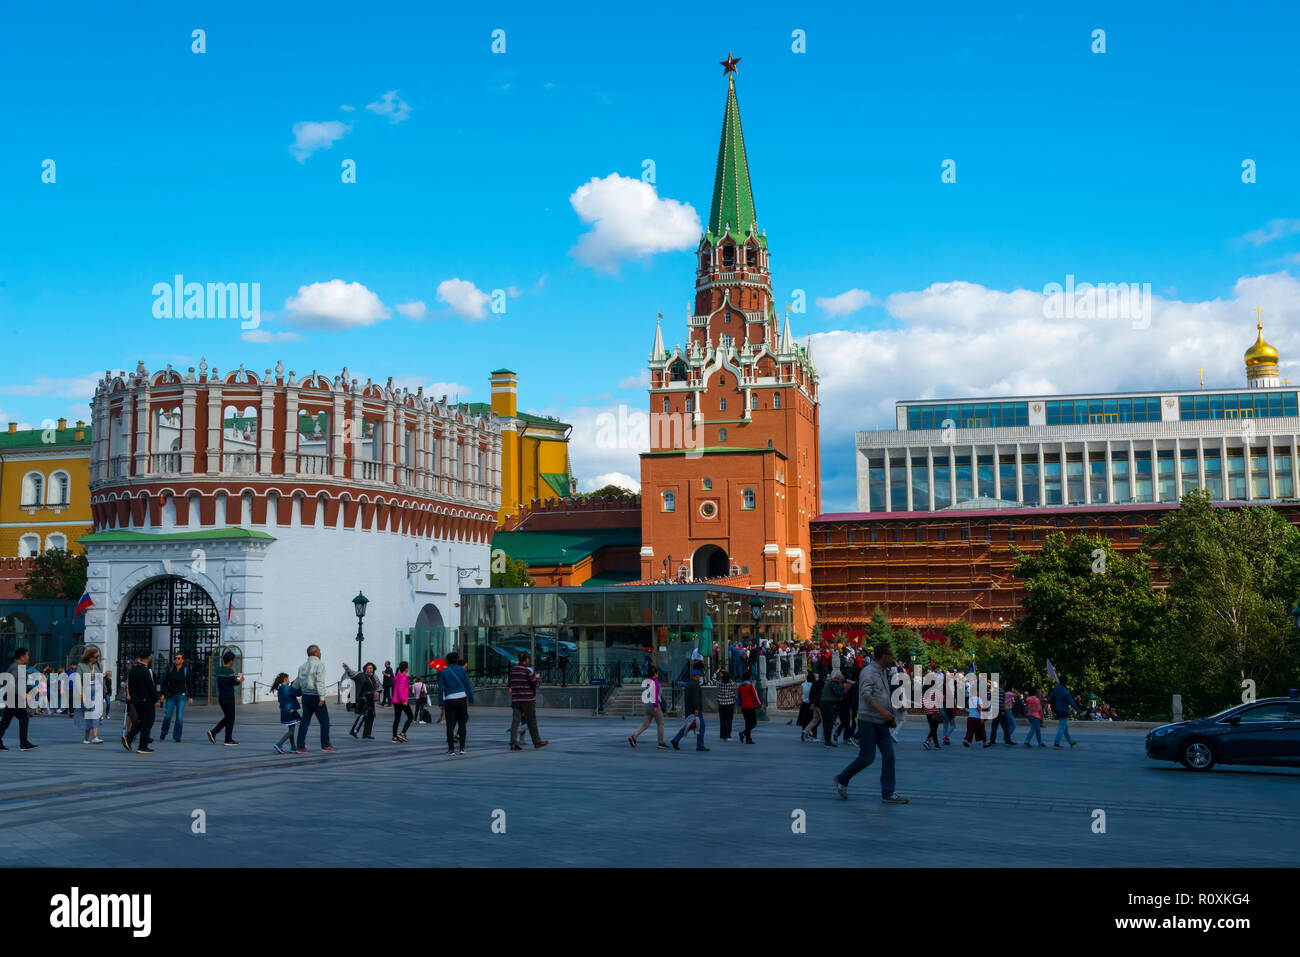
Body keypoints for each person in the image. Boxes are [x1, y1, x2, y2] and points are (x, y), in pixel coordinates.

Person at [833, 642, 907, 804]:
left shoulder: (881, 672)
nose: (893, 658)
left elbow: (882, 695)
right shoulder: (868, 672)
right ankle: (842, 778)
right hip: (868, 721)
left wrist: (891, 711)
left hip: (881, 722)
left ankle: (888, 792)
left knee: (889, 757)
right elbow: (866, 695)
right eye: (891, 655)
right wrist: (883, 711)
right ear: (884, 656)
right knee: (867, 758)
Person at [295, 645, 333, 753]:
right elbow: (319, 681)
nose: (321, 653)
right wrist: (322, 697)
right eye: (320, 651)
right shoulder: (319, 664)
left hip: (305, 696)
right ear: (315, 653)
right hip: (315, 695)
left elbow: (298, 681)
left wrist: (292, 691)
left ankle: (300, 746)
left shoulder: (302, 666)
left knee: (305, 721)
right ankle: (325, 745)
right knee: (325, 721)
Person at [508, 651, 548, 751]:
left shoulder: (513, 670)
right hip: (527, 700)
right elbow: (535, 684)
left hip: (516, 699)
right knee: (531, 721)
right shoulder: (527, 671)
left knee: (515, 722)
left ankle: (513, 743)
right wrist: (537, 678)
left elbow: (511, 683)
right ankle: (537, 742)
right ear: (526, 659)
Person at [0, 648, 37, 751]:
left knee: (5, 721)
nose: (28, 657)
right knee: (24, 719)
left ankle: (23, 743)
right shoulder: (16, 668)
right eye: (27, 655)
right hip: (14, 697)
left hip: (12, 696)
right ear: (22, 657)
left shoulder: (18, 667)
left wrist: (32, 688)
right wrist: (23, 694)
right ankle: (24, 743)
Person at [437, 651, 474, 755]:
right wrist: (471, 698)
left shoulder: (444, 672)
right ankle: (462, 748)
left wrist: (440, 702)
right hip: (462, 698)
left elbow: (441, 689)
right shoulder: (462, 671)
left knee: (450, 725)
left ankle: (451, 749)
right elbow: (468, 685)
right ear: (457, 660)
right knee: (462, 724)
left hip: (450, 699)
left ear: (447, 661)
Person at [123, 652, 159, 754]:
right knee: (148, 722)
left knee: (140, 722)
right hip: (147, 701)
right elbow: (150, 686)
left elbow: (130, 685)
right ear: (148, 657)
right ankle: (142, 747)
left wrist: (133, 698)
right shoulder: (147, 670)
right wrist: (155, 699)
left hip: (136, 701)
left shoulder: (133, 670)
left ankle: (128, 738)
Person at [628, 663, 669, 750]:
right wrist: (655, 706)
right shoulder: (656, 682)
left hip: (647, 705)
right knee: (660, 724)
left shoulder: (646, 682)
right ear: (655, 674)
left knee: (645, 724)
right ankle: (661, 743)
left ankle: (634, 737)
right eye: (657, 672)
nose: (658, 674)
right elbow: (654, 694)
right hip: (654, 705)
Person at [205, 652, 242, 746]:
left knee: (228, 717)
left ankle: (214, 733)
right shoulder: (229, 671)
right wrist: (240, 680)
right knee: (231, 718)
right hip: (229, 697)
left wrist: (233, 677)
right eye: (233, 660)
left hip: (221, 697)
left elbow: (225, 679)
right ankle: (226, 739)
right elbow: (234, 683)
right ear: (230, 661)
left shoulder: (219, 670)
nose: (233, 662)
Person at [73, 646, 107, 744]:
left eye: (98, 657)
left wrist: (104, 690)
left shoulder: (97, 665)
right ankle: (86, 737)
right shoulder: (81, 666)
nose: (97, 659)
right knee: (87, 715)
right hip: (86, 693)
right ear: (90, 657)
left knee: (96, 714)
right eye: (95, 657)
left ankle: (95, 736)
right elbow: (78, 680)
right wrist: (81, 695)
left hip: (97, 694)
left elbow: (101, 678)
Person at [671, 665, 708, 752]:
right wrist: (696, 709)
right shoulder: (695, 684)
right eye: (699, 676)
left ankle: (676, 740)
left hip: (689, 709)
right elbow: (696, 698)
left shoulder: (688, 684)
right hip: (695, 710)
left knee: (688, 726)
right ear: (696, 676)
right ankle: (700, 745)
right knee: (701, 726)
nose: (700, 677)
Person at [158, 652, 191, 743]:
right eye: (175, 658)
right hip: (170, 695)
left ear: (182, 660)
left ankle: (177, 736)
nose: (176, 660)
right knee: (168, 716)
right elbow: (164, 683)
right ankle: (164, 732)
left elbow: (189, 683)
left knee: (179, 717)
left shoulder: (185, 670)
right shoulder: (170, 669)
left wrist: (191, 696)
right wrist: (162, 694)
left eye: (179, 658)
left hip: (181, 695)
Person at [342, 661, 380, 739]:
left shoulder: (374, 677)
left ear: (373, 669)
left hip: (370, 698)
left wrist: (377, 692)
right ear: (365, 669)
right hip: (363, 698)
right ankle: (354, 731)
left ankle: (367, 734)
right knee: (363, 715)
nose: (369, 669)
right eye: (368, 668)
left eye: (371, 668)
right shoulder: (361, 675)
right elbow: (352, 673)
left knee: (371, 715)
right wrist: (347, 669)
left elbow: (378, 686)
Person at [272, 673, 301, 753]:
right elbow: (297, 693)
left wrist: (292, 686)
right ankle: (279, 744)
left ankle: (293, 747)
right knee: (291, 731)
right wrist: (299, 685)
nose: (289, 680)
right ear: (285, 679)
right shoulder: (288, 688)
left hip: (284, 711)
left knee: (291, 729)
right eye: (288, 679)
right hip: (290, 711)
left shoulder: (281, 688)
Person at [819, 671, 845, 747]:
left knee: (828, 723)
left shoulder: (830, 682)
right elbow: (838, 693)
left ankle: (828, 740)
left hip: (826, 704)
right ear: (838, 678)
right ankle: (827, 741)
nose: (841, 682)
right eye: (841, 680)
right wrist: (842, 687)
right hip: (827, 705)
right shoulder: (832, 683)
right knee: (828, 723)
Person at [390, 661, 414, 743]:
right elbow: (400, 690)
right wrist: (404, 700)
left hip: (395, 700)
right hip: (401, 701)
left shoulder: (397, 676)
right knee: (410, 716)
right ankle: (402, 733)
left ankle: (394, 737)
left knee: (397, 719)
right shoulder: (403, 677)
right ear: (406, 669)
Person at [1050, 679, 1077, 748]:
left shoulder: (1055, 690)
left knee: (1065, 727)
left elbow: (1050, 699)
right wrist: (1077, 709)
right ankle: (1056, 743)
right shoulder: (1066, 691)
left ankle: (1071, 742)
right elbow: (1071, 701)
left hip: (1057, 710)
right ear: (1065, 683)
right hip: (1064, 710)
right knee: (1062, 727)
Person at [737, 669, 761, 744]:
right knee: (753, 723)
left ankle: (748, 739)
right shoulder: (750, 686)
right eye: (751, 677)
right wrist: (760, 705)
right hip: (750, 706)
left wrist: (739, 705)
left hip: (743, 707)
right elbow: (755, 697)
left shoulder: (740, 687)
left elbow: (738, 697)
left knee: (747, 722)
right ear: (749, 678)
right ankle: (743, 733)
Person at [714, 670, 737, 741]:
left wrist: (716, 673)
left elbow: (713, 679)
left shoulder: (720, 684)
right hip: (730, 704)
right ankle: (728, 736)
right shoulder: (732, 684)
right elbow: (733, 693)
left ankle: (723, 735)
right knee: (729, 720)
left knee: (722, 720)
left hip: (721, 704)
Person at [963, 682, 986, 747]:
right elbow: (979, 709)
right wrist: (982, 717)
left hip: (970, 717)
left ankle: (966, 740)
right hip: (977, 717)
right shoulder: (978, 699)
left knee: (970, 730)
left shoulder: (969, 700)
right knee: (982, 730)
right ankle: (985, 743)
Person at [922, 673, 941, 750]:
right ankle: (927, 742)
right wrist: (938, 711)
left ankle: (936, 743)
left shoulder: (924, 690)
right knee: (934, 729)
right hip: (934, 712)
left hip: (928, 712)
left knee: (932, 728)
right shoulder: (934, 690)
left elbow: (922, 702)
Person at [804, 672, 825, 741]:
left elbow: (811, 693)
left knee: (815, 719)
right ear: (824, 677)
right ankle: (823, 737)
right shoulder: (822, 684)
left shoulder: (814, 683)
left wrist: (812, 702)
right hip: (819, 704)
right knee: (824, 721)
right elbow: (820, 695)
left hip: (814, 703)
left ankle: (805, 731)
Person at [796, 670, 816, 740]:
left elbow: (800, 693)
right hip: (811, 704)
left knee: (804, 720)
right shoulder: (813, 685)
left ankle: (804, 732)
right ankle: (810, 734)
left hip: (804, 704)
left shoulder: (803, 684)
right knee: (812, 720)